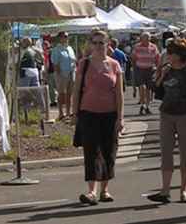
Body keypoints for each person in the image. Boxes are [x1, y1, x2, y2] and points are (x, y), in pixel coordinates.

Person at [147, 39, 186, 204]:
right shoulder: (166, 69)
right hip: (167, 113)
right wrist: (161, 75)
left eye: (171, 53)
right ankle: (165, 190)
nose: (168, 56)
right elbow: (157, 92)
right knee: (166, 152)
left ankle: (183, 190)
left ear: (180, 55)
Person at [72, 30, 124, 205]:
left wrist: (120, 118)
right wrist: (75, 113)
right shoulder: (83, 64)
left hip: (109, 115)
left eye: (102, 43)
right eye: (95, 42)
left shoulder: (115, 65)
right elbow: (76, 90)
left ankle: (105, 190)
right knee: (91, 152)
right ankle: (91, 192)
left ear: (108, 44)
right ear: (90, 44)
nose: (98, 46)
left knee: (109, 152)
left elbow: (119, 94)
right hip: (88, 114)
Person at [50, 32, 78, 120]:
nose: (66, 38)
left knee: (70, 93)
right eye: (64, 36)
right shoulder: (56, 49)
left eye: (67, 36)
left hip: (71, 73)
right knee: (61, 94)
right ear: (60, 38)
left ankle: (68, 113)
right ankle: (61, 113)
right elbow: (55, 63)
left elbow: (74, 60)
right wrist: (59, 75)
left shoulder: (70, 48)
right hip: (62, 74)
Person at [131, 32, 160, 115]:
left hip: (150, 69)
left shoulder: (153, 47)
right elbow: (133, 58)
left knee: (148, 89)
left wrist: (158, 68)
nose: (146, 40)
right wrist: (134, 68)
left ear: (150, 39)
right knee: (142, 87)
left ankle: (147, 106)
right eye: (144, 38)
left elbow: (157, 58)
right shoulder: (137, 47)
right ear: (141, 39)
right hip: (140, 69)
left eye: (148, 38)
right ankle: (142, 104)